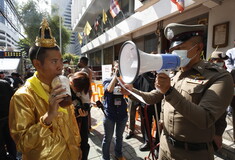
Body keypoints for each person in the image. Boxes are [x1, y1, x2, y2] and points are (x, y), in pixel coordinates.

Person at [122, 23, 233, 160]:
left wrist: (169, 91)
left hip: (192, 154)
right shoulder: (174, 73)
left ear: (198, 48)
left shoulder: (219, 77)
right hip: (165, 147)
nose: (175, 53)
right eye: (173, 49)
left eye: (180, 48)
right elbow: (153, 97)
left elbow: (205, 118)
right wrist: (131, 92)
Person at [9, 18, 82, 160]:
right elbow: (22, 144)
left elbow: (71, 120)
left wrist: (77, 146)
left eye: (60, 60)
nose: (60, 66)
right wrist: (48, 117)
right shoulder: (23, 97)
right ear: (37, 64)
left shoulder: (61, 87)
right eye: (54, 61)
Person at [102, 60, 127, 160]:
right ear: (113, 69)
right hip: (110, 115)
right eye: (117, 68)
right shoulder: (107, 79)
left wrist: (122, 81)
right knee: (107, 138)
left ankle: (118, 154)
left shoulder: (124, 80)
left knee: (119, 137)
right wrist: (115, 77)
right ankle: (105, 157)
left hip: (122, 113)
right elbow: (109, 90)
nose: (119, 70)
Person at [69, 71, 91, 160]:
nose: (77, 91)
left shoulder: (83, 82)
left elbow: (86, 103)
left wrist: (85, 110)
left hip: (82, 121)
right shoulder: (64, 85)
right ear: (71, 83)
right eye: (75, 89)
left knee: (84, 143)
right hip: (69, 121)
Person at [0, 79, 16, 160]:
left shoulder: (4, 83)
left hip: (5, 117)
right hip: (8, 116)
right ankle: (12, 156)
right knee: (10, 139)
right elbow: (13, 98)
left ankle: (3, 157)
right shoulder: (5, 83)